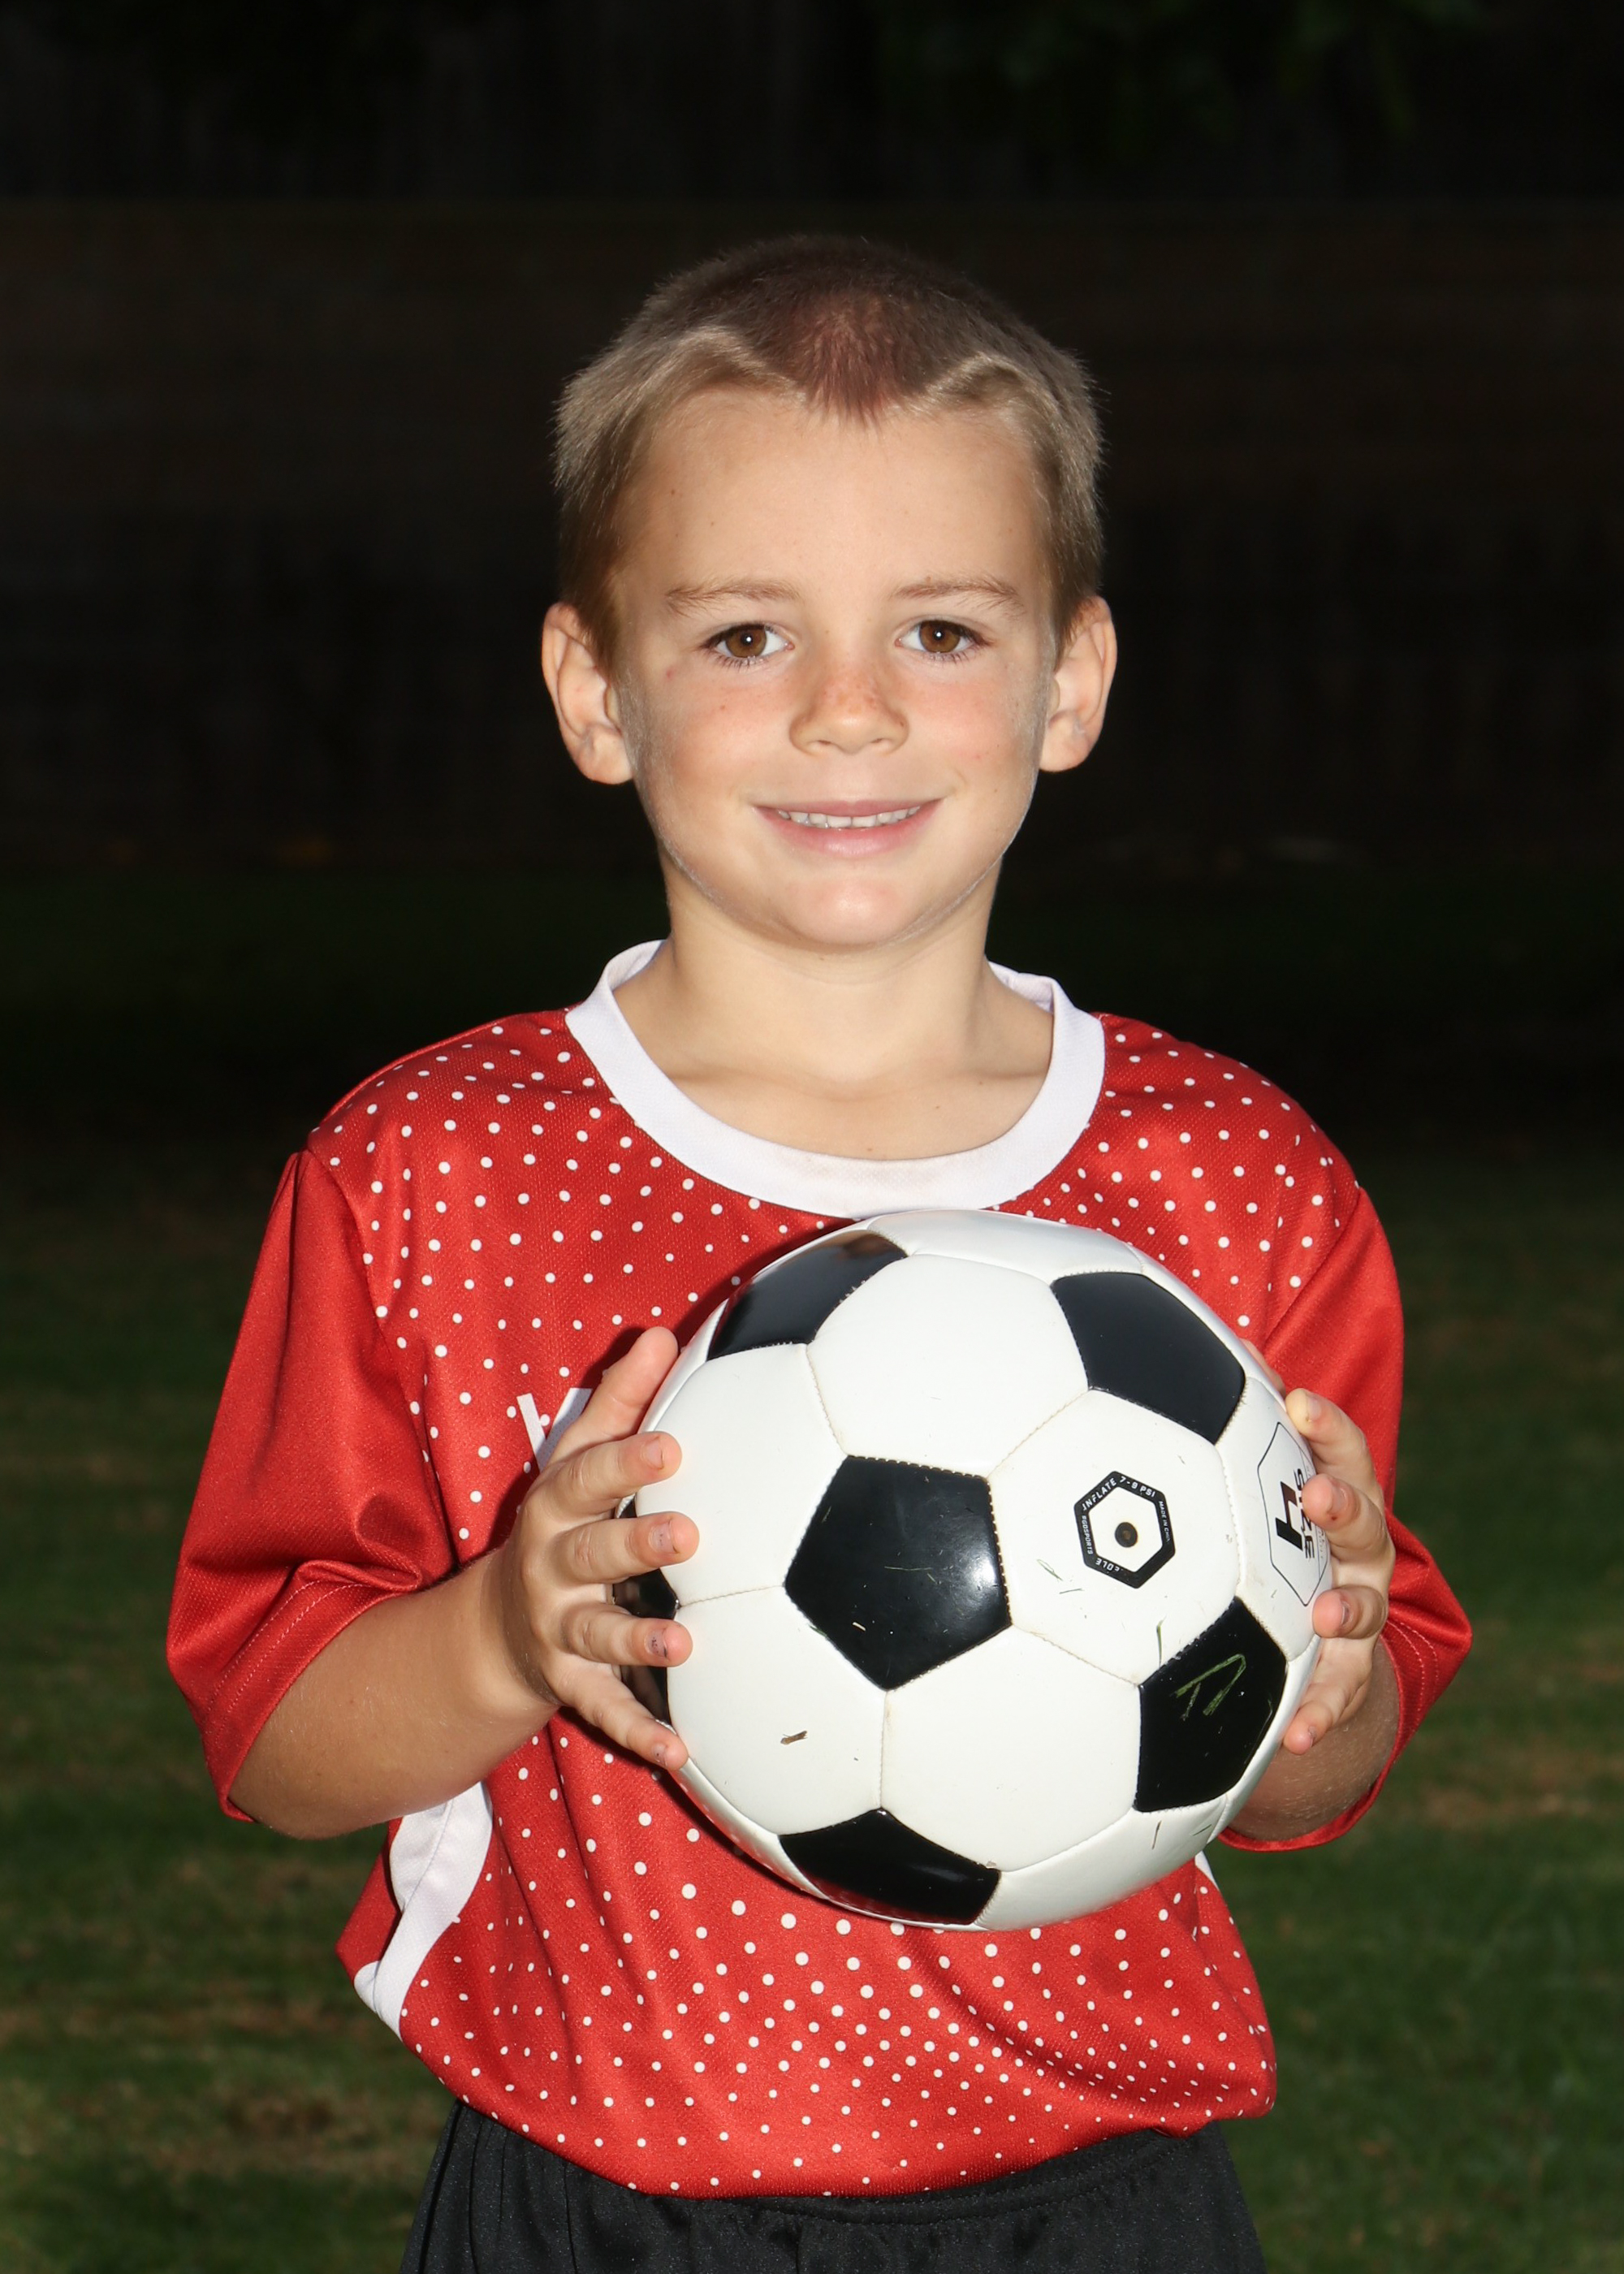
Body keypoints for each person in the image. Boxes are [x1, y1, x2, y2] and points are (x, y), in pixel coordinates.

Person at [168, 237, 1471, 2272]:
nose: (848, 710)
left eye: (939, 629)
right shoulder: (433, 1171)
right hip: (598, 2202)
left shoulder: (1232, 1186)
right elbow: (274, 1731)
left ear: (1070, 681)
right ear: (595, 689)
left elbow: (1311, 1780)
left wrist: (1332, 1653)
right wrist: (508, 1635)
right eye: (746, 633)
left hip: (1100, 2211)